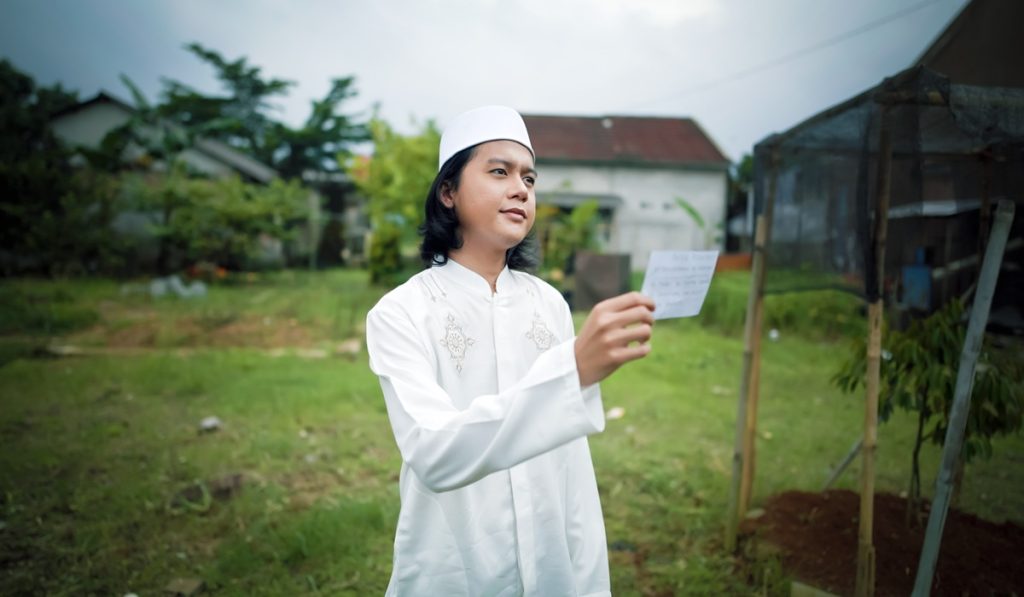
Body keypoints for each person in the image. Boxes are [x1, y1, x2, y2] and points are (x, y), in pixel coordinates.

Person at [365, 105, 655, 596]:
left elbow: (573, 470)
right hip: (452, 568)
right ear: (449, 191)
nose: (521, 188)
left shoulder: (548, 306)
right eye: (499, 171)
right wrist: (572, 374)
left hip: (551, 570)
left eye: (529, 178)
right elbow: (435, 453)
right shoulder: (402, 313)